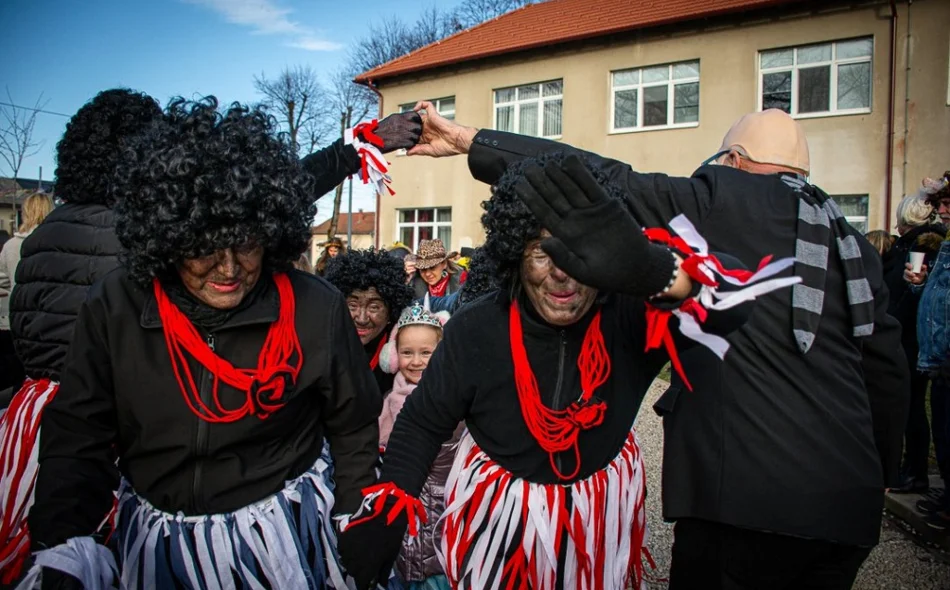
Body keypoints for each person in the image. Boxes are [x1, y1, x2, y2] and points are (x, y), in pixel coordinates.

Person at [402, 103, 908, 589]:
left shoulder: (716, 196)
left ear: (732, 161)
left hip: (740, 502)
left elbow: (595, 180)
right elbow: (885, 366)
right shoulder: (853, 242)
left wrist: (468, 140)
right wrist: (882, 469)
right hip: (848, 507)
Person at [337, 151, 795, 590]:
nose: (563, 274)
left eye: (581, 253)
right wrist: (392, 502)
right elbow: (423, 420)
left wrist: (652, 270)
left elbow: (736, 304)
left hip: (597, 519)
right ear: (513, 254)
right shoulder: (476, 327)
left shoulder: (632, 315)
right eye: (541, 252)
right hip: (500, 518)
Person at [19, 98, 384, 589]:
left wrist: (355, 513)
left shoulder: (316, 306)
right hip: (156, 544)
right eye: (203, 248)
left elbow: (354, 424)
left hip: (284, 542)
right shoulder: (116, 304)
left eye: (247, 243)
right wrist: (65, 542)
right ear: (167, 237)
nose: (229, 268)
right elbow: (78, 434)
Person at [0, 90, 162, 584]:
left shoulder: (41, 233)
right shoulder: (145, 236)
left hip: (34, 419)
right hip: (107, 425)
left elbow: (22, 325)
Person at [374, 302, 456, 590]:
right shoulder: (388, 400)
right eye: (407, 353)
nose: (416, 361)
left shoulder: (453, 400)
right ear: (393, 357)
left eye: (426, 353)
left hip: (441, 520)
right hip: (403, 523)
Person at [883, 195, 946, 494]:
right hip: (909, 336)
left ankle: (916, 470)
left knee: (912, 407)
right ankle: (911, 468)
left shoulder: (921, 247)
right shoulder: (909, 245)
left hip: (911, 339)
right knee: (911, 406)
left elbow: (908, 296)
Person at [908, 173, 950, 530]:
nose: (943, 211)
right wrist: (921, 286)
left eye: (949, 205)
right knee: (944, 430)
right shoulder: (946, 245)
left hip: (946, 356)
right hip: (938, 357)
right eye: (942, 205)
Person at [325, 248, 415, 397]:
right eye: (352, 305)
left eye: (374, 307)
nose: (362, 318)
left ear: (391, 311)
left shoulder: (403, 352)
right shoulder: (322, 347)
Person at [0, 193, 53, 395]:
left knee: (19, 373)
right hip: (45, 318)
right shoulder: (51, 243)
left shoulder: (11, 245)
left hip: (16, 316)